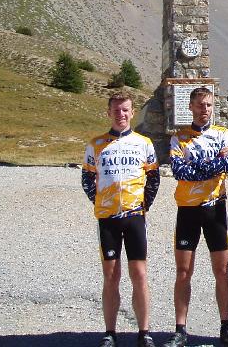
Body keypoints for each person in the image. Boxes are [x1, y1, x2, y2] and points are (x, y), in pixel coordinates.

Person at [164, 87, 228, 347]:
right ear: (191, 107)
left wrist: (196, 166)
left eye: (208, 105)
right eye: (199, 105)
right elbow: (179, 172)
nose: (204, 110)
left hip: (215, 209)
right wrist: (209, 167)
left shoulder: (223, 134)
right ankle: (180, 330)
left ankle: (225, 327)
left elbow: (227, 166)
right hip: (187, 210)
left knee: (221, 270)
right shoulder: (179, 137)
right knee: (183, 271)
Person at [82, 92, 160, 347]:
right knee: (111, 275)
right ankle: (110, 332)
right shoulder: (96, 144)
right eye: (116, 110)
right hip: (108, 219)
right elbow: (86, 179)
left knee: (139, 274)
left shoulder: (143, 142)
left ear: (132, 112)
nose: (121, 114)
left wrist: (142, 205)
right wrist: (101, 202)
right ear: (109, 112)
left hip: (134, 217)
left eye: (125, 110)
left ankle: (144, 332)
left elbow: (154, 178)